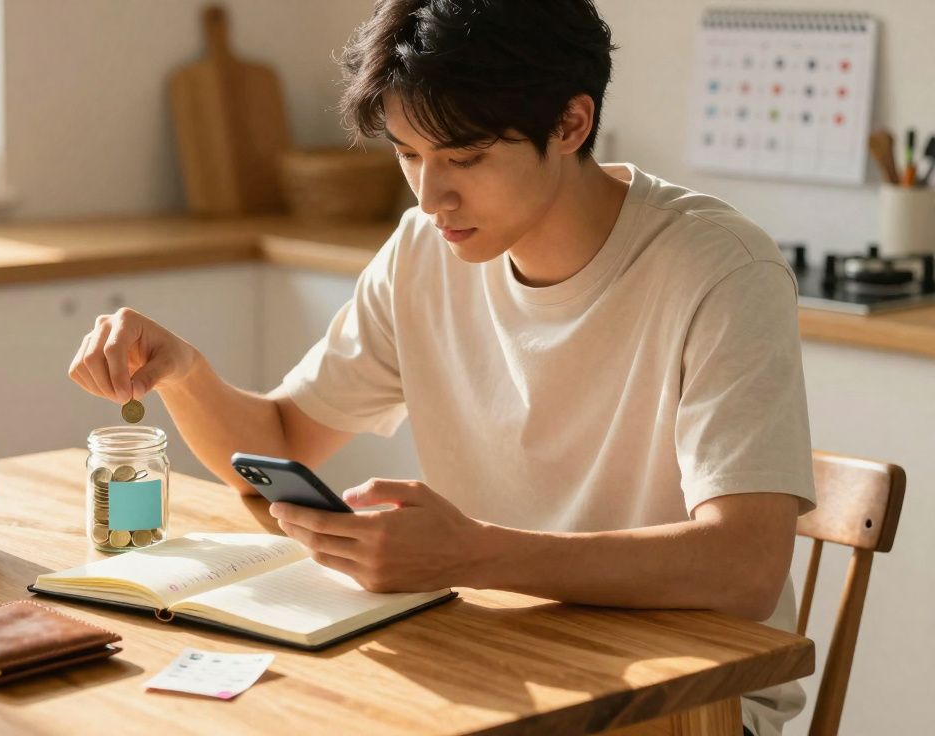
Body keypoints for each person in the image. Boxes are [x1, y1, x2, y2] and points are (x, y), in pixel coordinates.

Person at [68, 2, 815, 734]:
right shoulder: (424, 251)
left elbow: (742, 566)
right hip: (497, 661)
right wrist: (185, 372)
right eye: (407, 154)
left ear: (571, 123)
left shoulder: (718, 269)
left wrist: (475, 553)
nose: (430, 196)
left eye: (464, 158)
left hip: (683, 701)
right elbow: (284, 442)